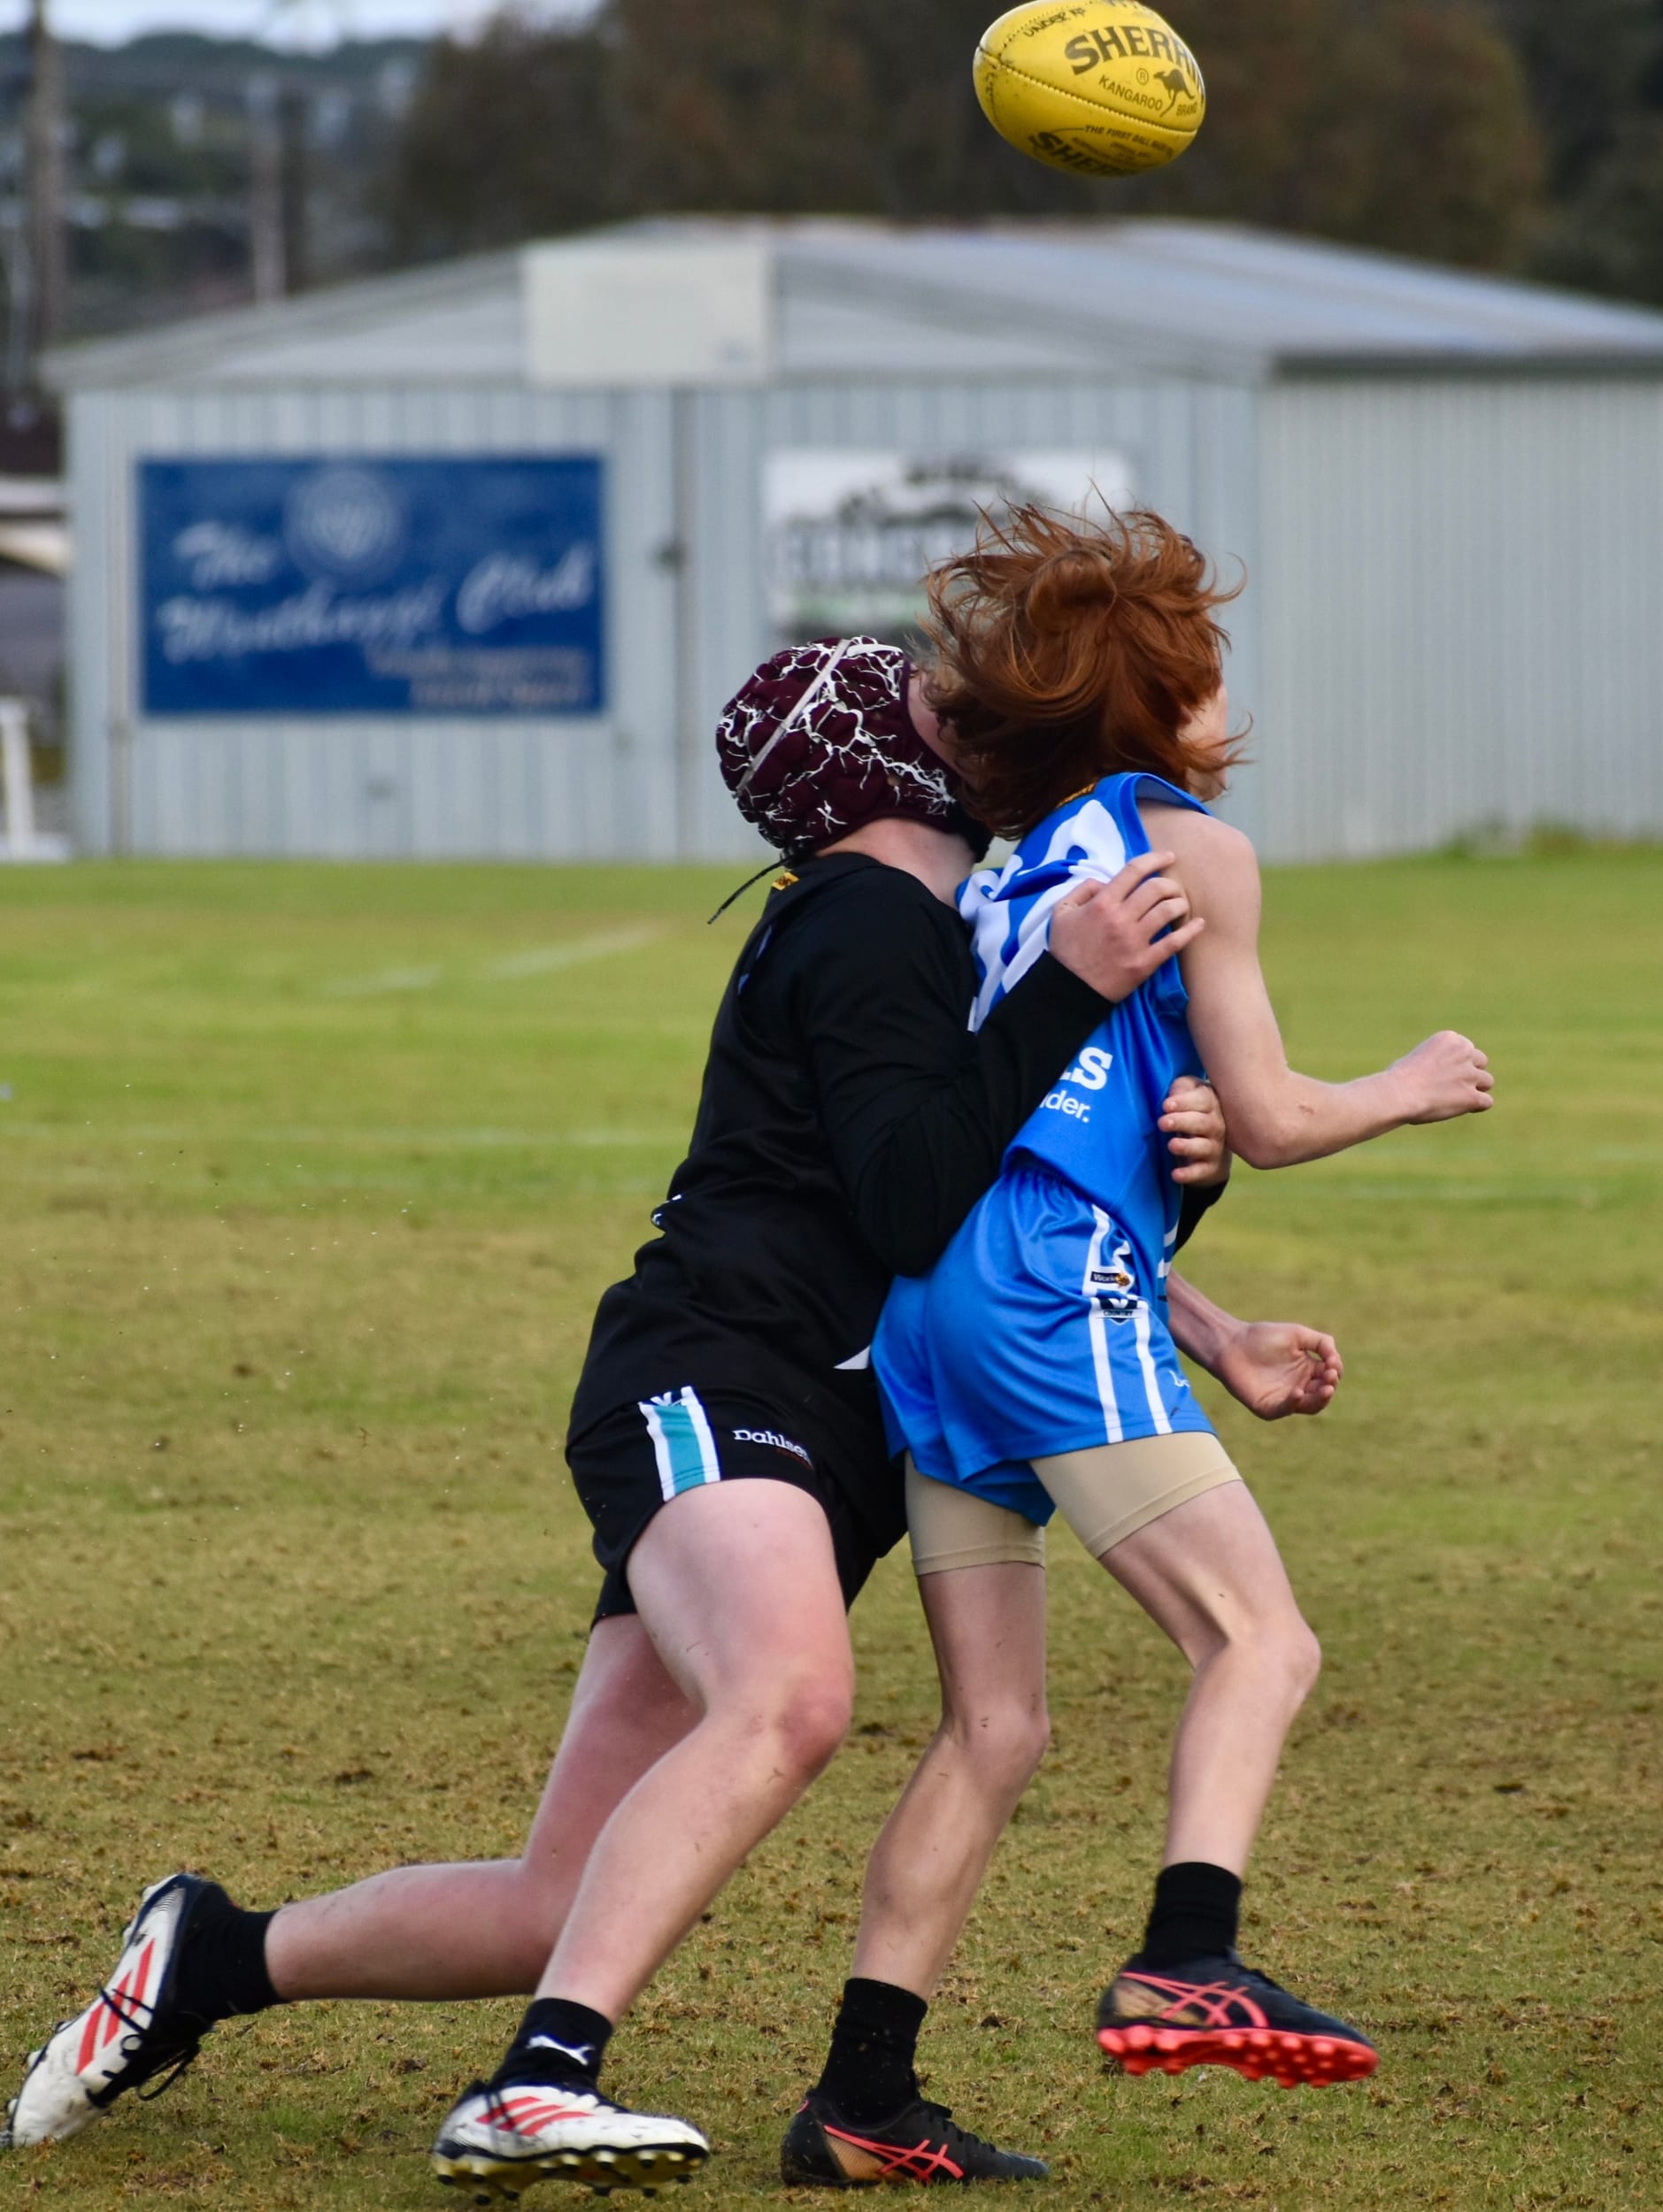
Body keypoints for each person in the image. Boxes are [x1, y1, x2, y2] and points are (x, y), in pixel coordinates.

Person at [4, 635, 1242, 2193]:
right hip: (723, 1377)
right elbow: (918, 1196)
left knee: (555, 1897)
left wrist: (1185, 1228)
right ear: (878, 751)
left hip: (804, 1421)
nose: (981, 717)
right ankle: (540, 2081)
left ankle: (214, 1957)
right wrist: (1075, 984)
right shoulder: (870, 917)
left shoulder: (925, 927)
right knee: (790, 1702)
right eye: (940, 702)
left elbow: (989, 1206)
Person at [780, 507, 1495, 2178]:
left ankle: (859, 2100)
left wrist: (1216, 1325)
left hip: (938, 1304)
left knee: (995, 1729)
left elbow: (1050, 1132)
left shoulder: (1006, 873)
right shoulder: (1193, 852)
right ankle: (1187, 1959)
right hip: (1041, 1288)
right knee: (1264, 1641)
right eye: (1204, 674)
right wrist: (1413, 1080)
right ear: (1158, 694)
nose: (1219, 707)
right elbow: (1273, 1115)